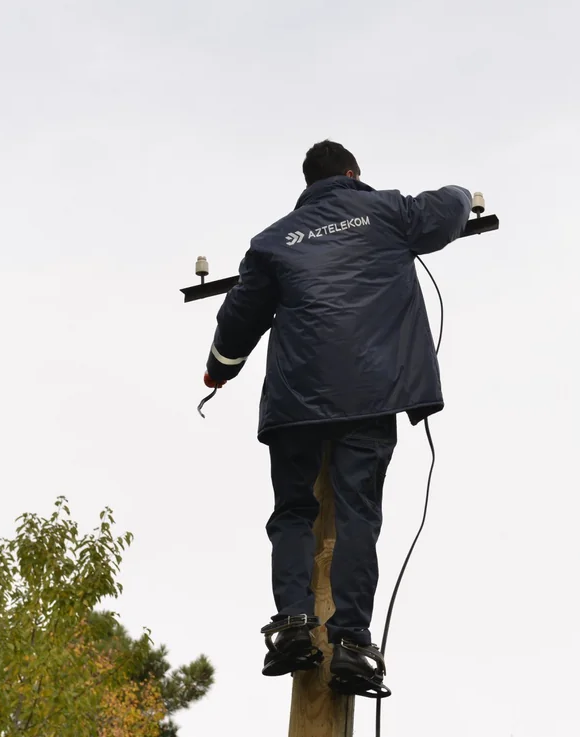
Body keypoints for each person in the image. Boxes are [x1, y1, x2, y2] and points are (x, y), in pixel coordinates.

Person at [200, 140, 472, 697]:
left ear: (307, 185)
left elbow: (238, 320)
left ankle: (294, 625)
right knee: (357, 516)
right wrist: (467, 196)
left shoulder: (273, 241)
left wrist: (217, 371)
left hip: (296, 401)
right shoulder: (388, 211)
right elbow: (448, 205)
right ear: (352, 173)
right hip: (371, 395)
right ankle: (350, 640)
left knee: (294, 511)